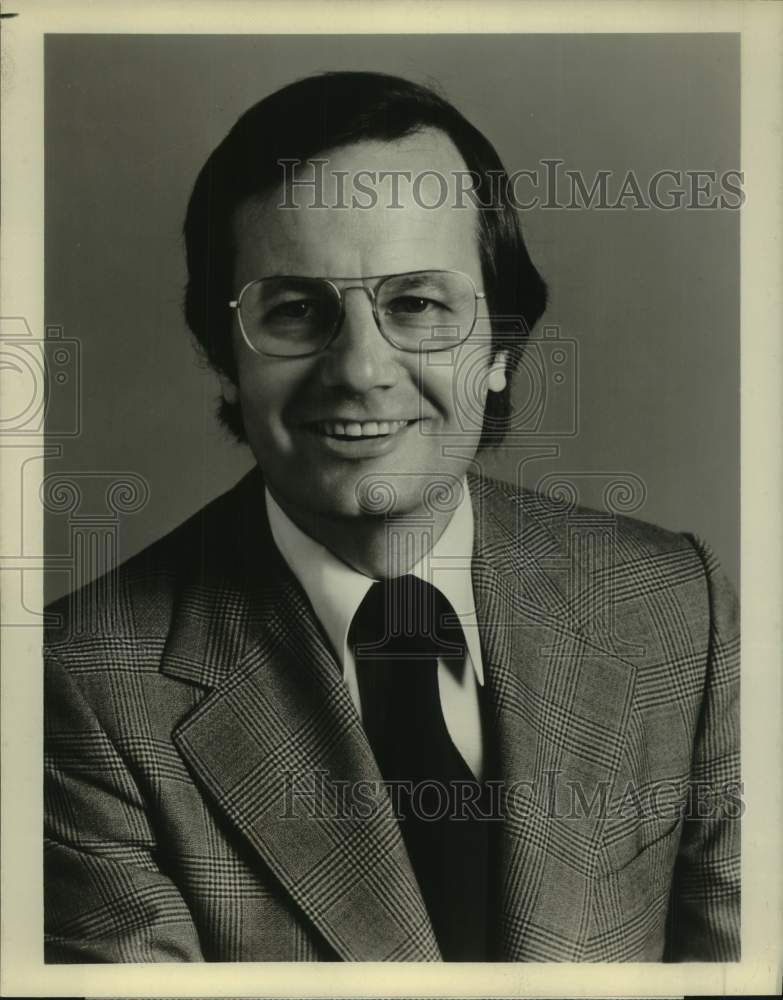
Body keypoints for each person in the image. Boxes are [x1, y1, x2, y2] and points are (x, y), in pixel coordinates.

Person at [44, 71, 740, 963]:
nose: (360, 371)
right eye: (295, 311)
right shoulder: (81, 688)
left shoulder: (675, 606)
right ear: (224, 359)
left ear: (501, 347)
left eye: (416, 304)